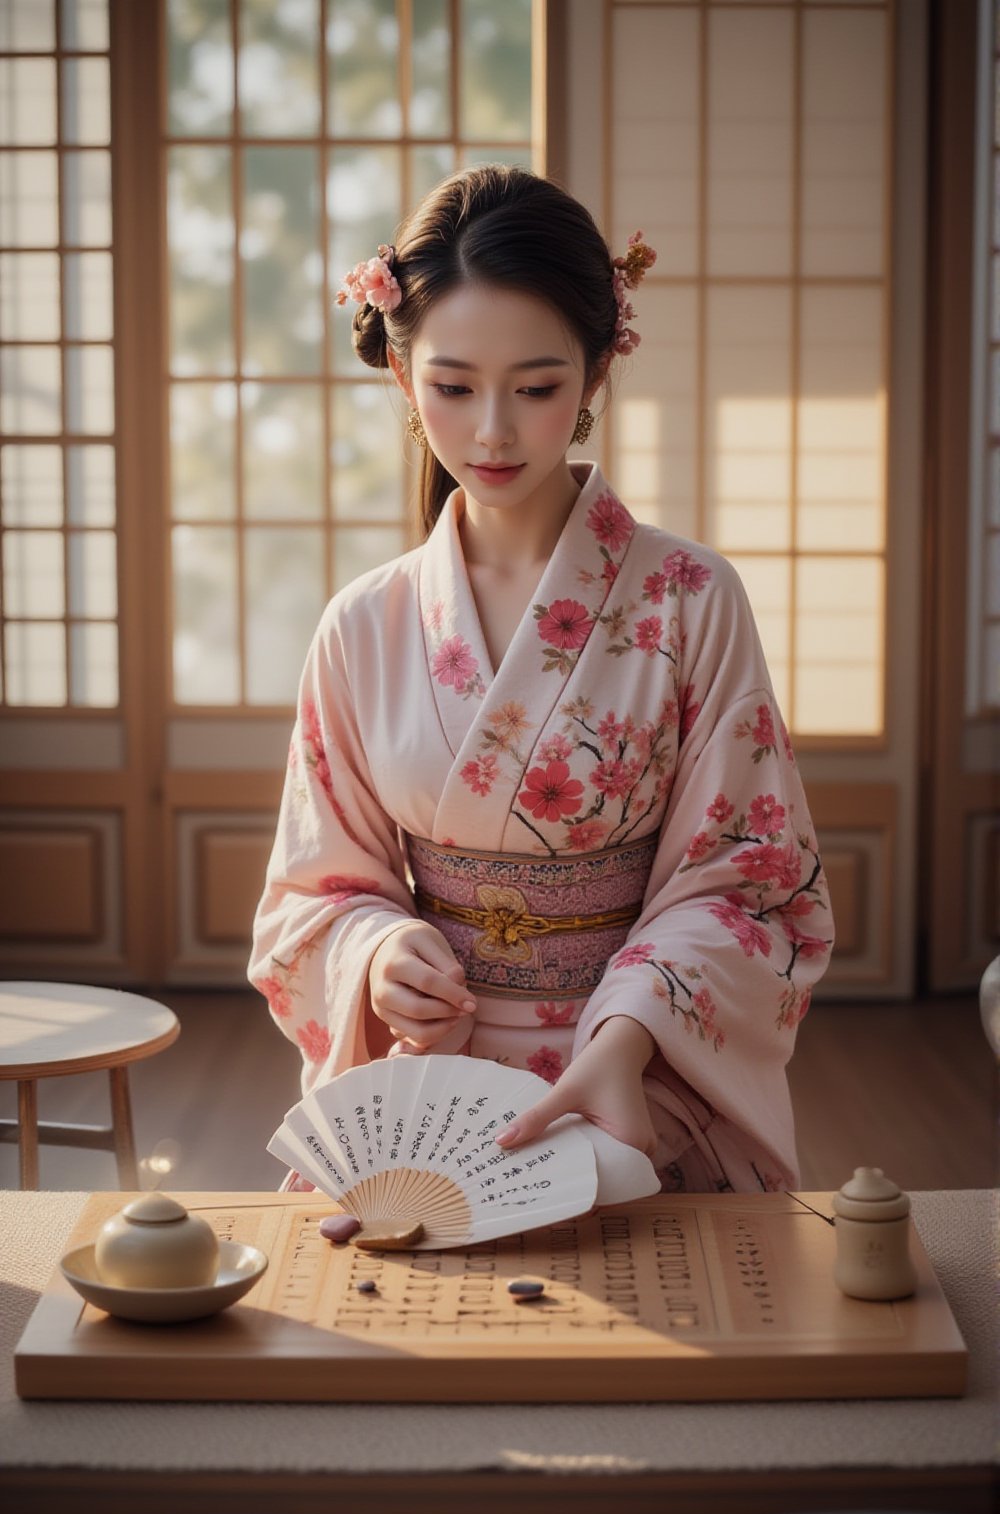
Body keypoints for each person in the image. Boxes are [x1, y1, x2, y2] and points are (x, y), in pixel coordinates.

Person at [247, 164, 834, 1195]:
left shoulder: (690, 597)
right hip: (428, 1089)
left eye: (536, 386)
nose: (491, 432)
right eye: (453, 385)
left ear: (597, 371)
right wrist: (378, 955)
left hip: (645, 1080)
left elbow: (754, 882)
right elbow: (312, 892)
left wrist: (630, 1032)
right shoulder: (364, 626)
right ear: (398, 369)